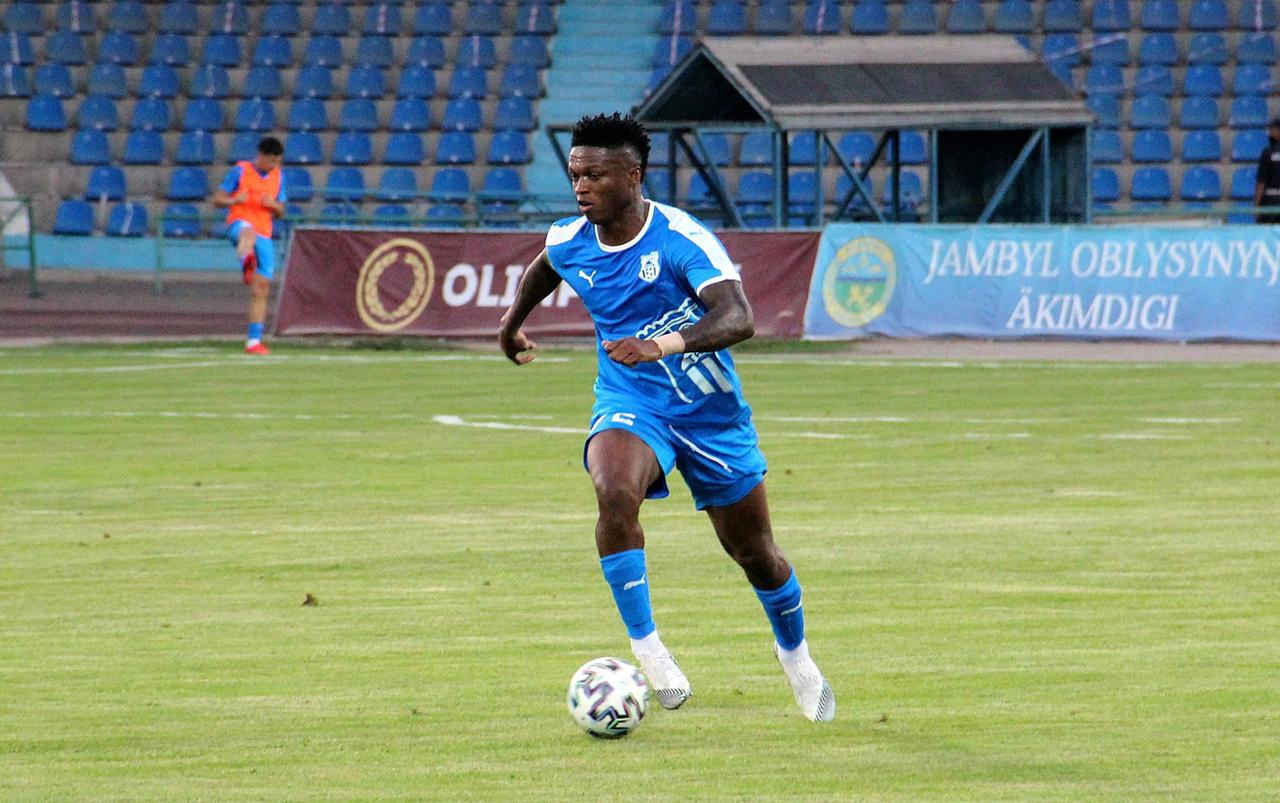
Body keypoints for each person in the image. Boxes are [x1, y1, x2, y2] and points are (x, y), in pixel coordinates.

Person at [498, 113, 834, 722]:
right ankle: (648, 649)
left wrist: (662, 345)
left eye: (595, 176)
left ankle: (796, 657)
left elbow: (739, 318)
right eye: (575, 175)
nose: (581, 188)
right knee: (613, 489)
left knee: (756, 553)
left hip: (710, 415)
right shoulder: (570, 238)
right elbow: (544, 267)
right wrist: (511, 322)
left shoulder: (681, 239)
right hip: (631, 399)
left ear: (633, 175)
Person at [212, 136, 287, 355]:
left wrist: (273, 205)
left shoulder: (278, 176)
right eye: (271, 161)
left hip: (265, 232)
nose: (273, 165)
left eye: (277, 162)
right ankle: (246, 261)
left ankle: (254, 341)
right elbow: (218, 199)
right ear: (260, 156)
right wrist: (234, 200)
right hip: (240, 223)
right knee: (248, 233)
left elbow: (281, 211)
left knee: (262, 287)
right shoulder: (241, 171)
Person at [1254, 118, 1280, 224]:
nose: (1270, 132)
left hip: (1270, 200)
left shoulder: (1268, 151)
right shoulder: (1268, 151)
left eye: (1272, 129)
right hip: (1271, 198)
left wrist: (1256, 205)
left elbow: (1261, 181)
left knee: (1267, 231)